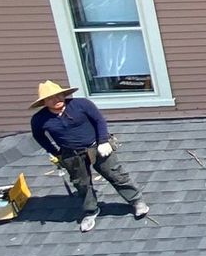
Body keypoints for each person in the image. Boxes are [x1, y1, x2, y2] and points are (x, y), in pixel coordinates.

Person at [29, 80, 149, 232]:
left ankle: (136, 201)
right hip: (71, 154)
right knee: (82, 184)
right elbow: (39, 136)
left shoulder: (81, 104)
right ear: (44, 102)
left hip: (96, 147)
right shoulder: (39, 119)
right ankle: (91, 211)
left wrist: (103, 141)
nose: (57, 99)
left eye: (59, 95)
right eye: (51, 98)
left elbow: (99, 120)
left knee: (116, 175)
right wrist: (56, 152)